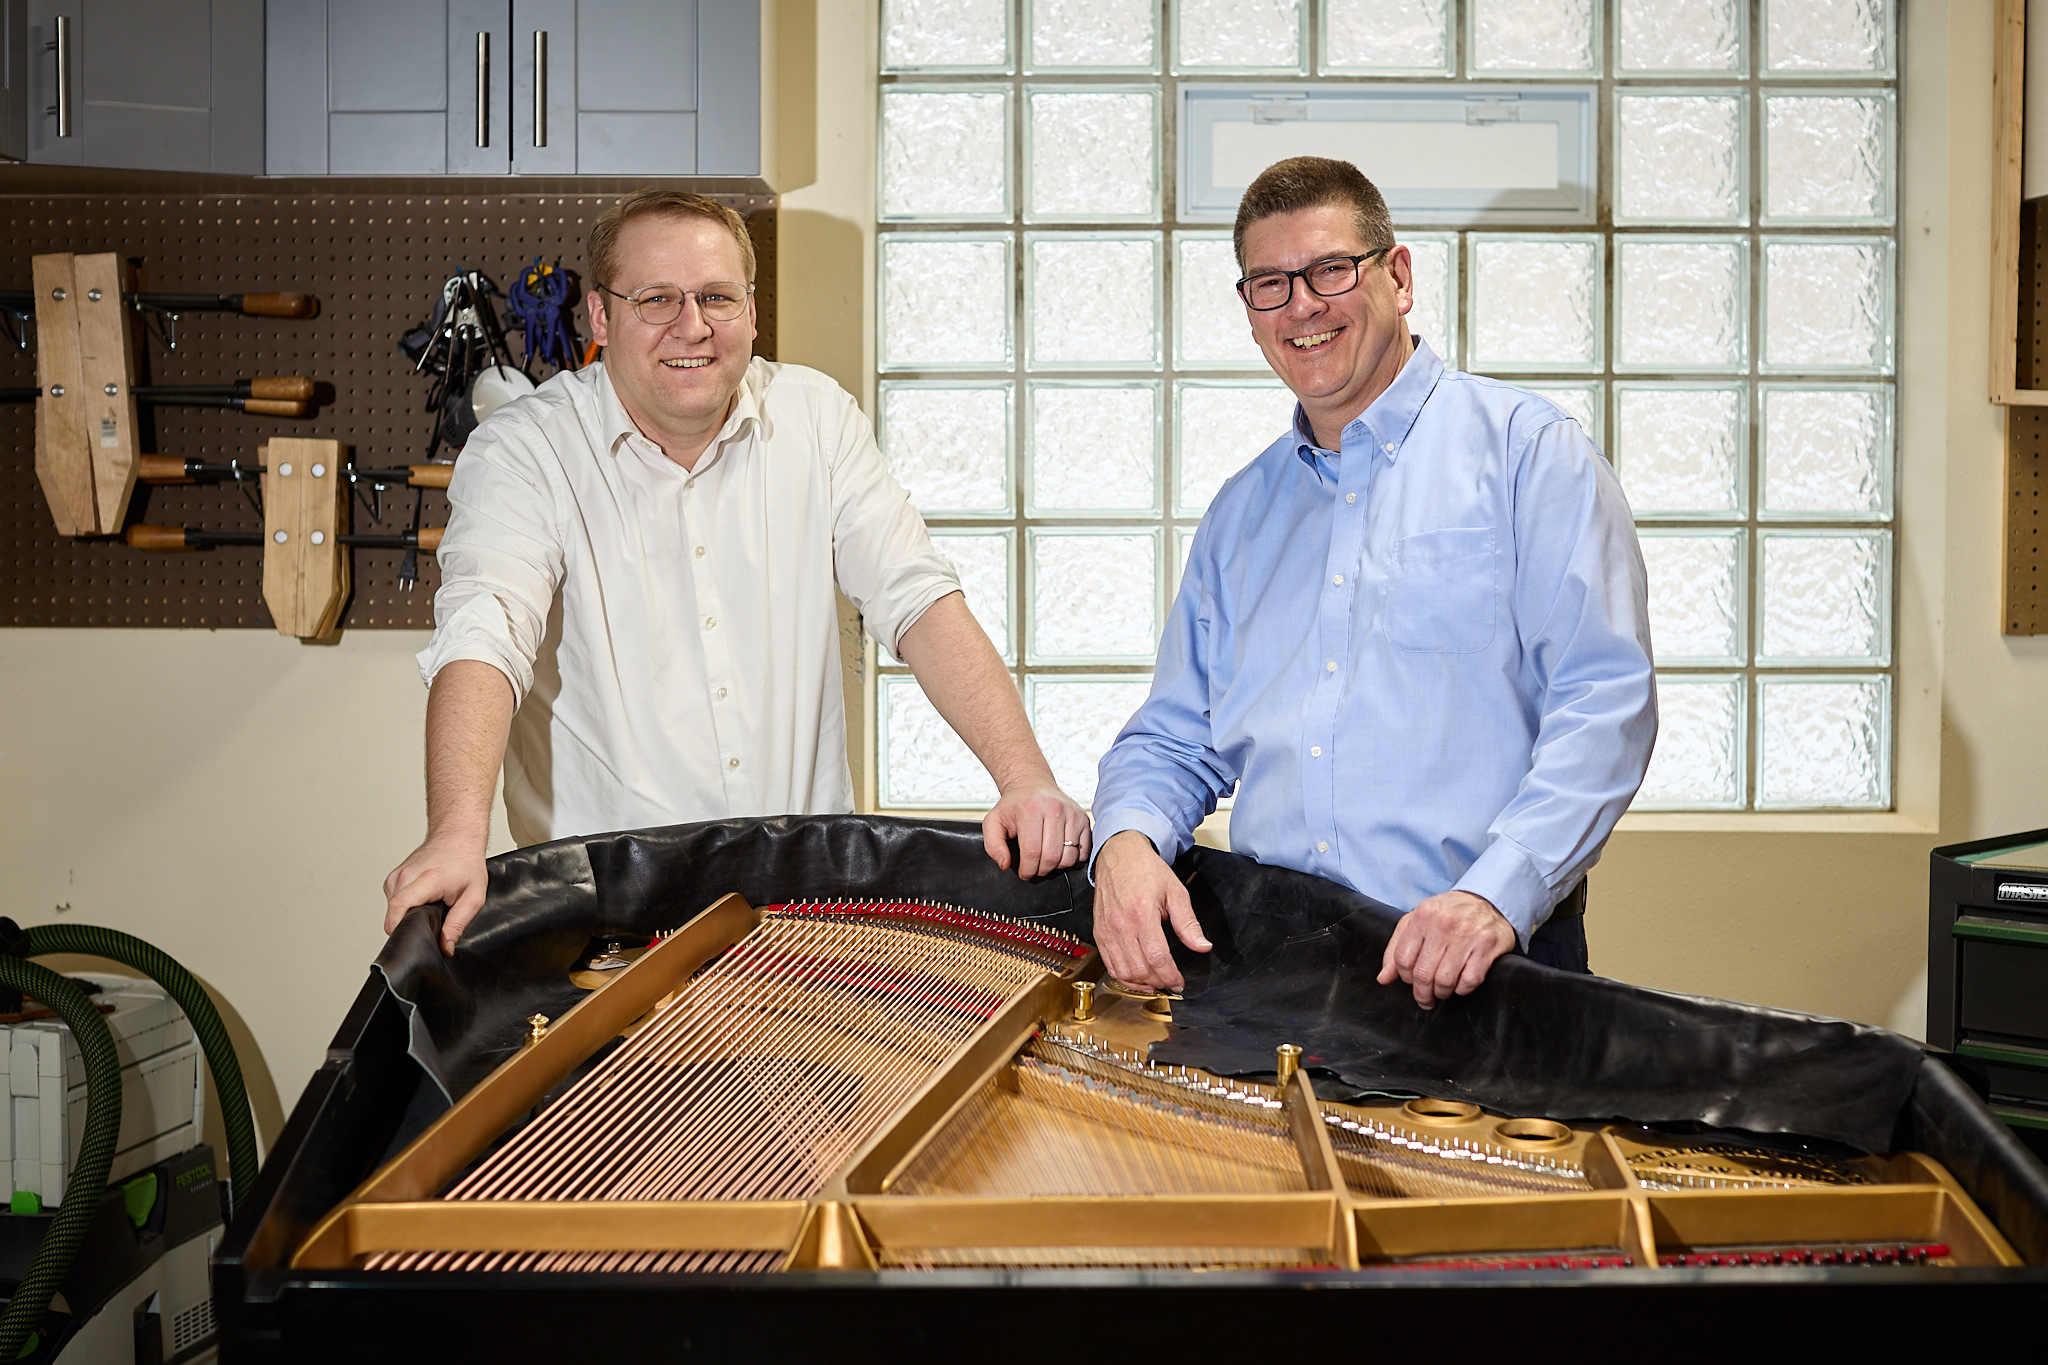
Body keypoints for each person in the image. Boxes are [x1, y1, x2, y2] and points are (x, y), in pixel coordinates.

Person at [384, 190, 1088, 954]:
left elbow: (917, 600)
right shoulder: (525, 451)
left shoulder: (817, 419)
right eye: (656, 298)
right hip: (606, 931)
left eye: (716, 296)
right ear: (598, 317)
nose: (692, 326)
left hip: (808, 916)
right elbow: (486, 636)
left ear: (751, 312)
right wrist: (457, 833)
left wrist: (1024, 776)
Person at [1089, 157, 1655, 1009]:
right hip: (1272, 972)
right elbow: (1176, 735)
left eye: (1330, 270)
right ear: (1249, 314)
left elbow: (1604, 702)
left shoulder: (1528, 454)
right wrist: (1127, 840)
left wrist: (1496, 892)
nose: (1303, 306)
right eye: (1270, 284)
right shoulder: (1241, 514)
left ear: (1399, 276)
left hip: (1484, 961)